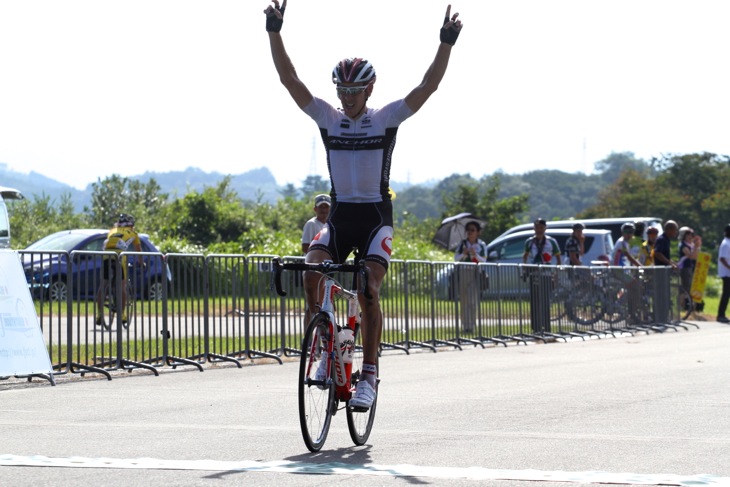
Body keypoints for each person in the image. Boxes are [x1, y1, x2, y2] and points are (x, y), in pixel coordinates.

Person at [264, 0, 463, 410]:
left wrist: (445, 44)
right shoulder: (328, 118)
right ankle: (323, 349)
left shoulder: (386, 118)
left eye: (354, 90)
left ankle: (369, 374)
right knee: (311, 276)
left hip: (375, 218)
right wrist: (274, 32)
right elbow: (289, 79)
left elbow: (427, 86)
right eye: (341, 89)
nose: (347, 96)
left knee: (368, 290)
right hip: (339, 217)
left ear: (369, 89)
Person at [94, 214, 144, 328]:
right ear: (131, 225)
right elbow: (138, 250)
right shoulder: (133, 233)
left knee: (104, 284)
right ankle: (122, 315)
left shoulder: (112, 231)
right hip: (119, 256)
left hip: (106, 255)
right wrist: (141, 263)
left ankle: (99, 314)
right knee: (122, 285)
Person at [522, 218, 561, 333]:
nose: (539, 230)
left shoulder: (551, 241)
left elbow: (558, 258)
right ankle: (536, 328)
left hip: (547, 273)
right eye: (537, 227)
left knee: (545, 301)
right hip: (534, 273)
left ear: (545, 228)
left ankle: (547, 327)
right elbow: (525, 256)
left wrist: (556, 273)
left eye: (541, 228)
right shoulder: (530, 241)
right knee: (535, 301)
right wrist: (525, 269)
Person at [453, 221, 488, 333]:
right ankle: (465, 325)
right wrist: (463, 253)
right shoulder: (462, 244)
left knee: (472, 300)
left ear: (478, 232)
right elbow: (456, 258)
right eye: (468, 230)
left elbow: (484, 260)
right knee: (464, 299)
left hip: (475, 272)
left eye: (472, 230)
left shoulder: (481, 245)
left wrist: (475, 254)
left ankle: (471, 325)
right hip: (464, 271)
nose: (470, 232)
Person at [652, 220, 679, 324]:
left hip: (665, 272)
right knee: (661, 295)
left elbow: (664, 255)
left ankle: (664, 317)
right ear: (669, 229)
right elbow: (657, 253)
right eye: (674, 230)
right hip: (660, 273)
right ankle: (659, 318)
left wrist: (672, 263)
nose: (675, 232)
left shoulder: (666, 240)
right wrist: (668, 262)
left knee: (665, 295)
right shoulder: (662, 239)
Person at [677, 226, 702, 295]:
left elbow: (697, 256)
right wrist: (696, 247)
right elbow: (691, 256)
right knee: (686, 287)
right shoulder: (683, 245)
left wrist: (697, 246)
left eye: (692, 234)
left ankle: (689, 303)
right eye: (688, 234)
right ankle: (685, 303)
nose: (690, 236)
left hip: (692, 268)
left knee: (691, 287)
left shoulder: (691, 245)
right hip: (685, 268)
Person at [717, 223, 730, 324]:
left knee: (727, 294)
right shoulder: (725, 243)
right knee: (726, 294)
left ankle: (722, 314)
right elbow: (722, 258)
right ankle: (721, 315)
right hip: (726, 273)